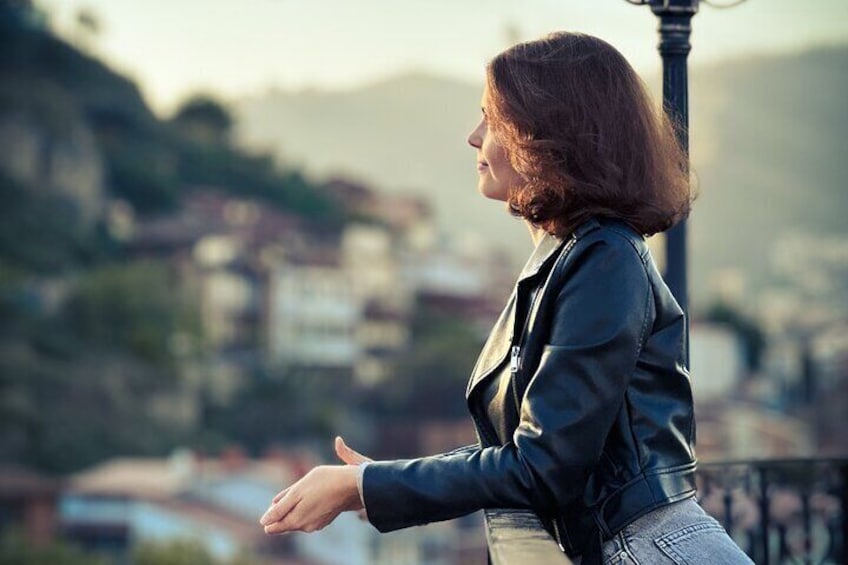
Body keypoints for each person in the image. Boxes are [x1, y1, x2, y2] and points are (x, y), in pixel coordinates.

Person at [259, 32, 753, 564]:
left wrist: (365, 487)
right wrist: (374, 481)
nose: (474, 138)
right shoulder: (573, 257)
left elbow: (542, 465)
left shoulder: (603, 260)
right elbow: (533, 448)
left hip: (652, 550)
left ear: (548, 135)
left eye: (492, 120)